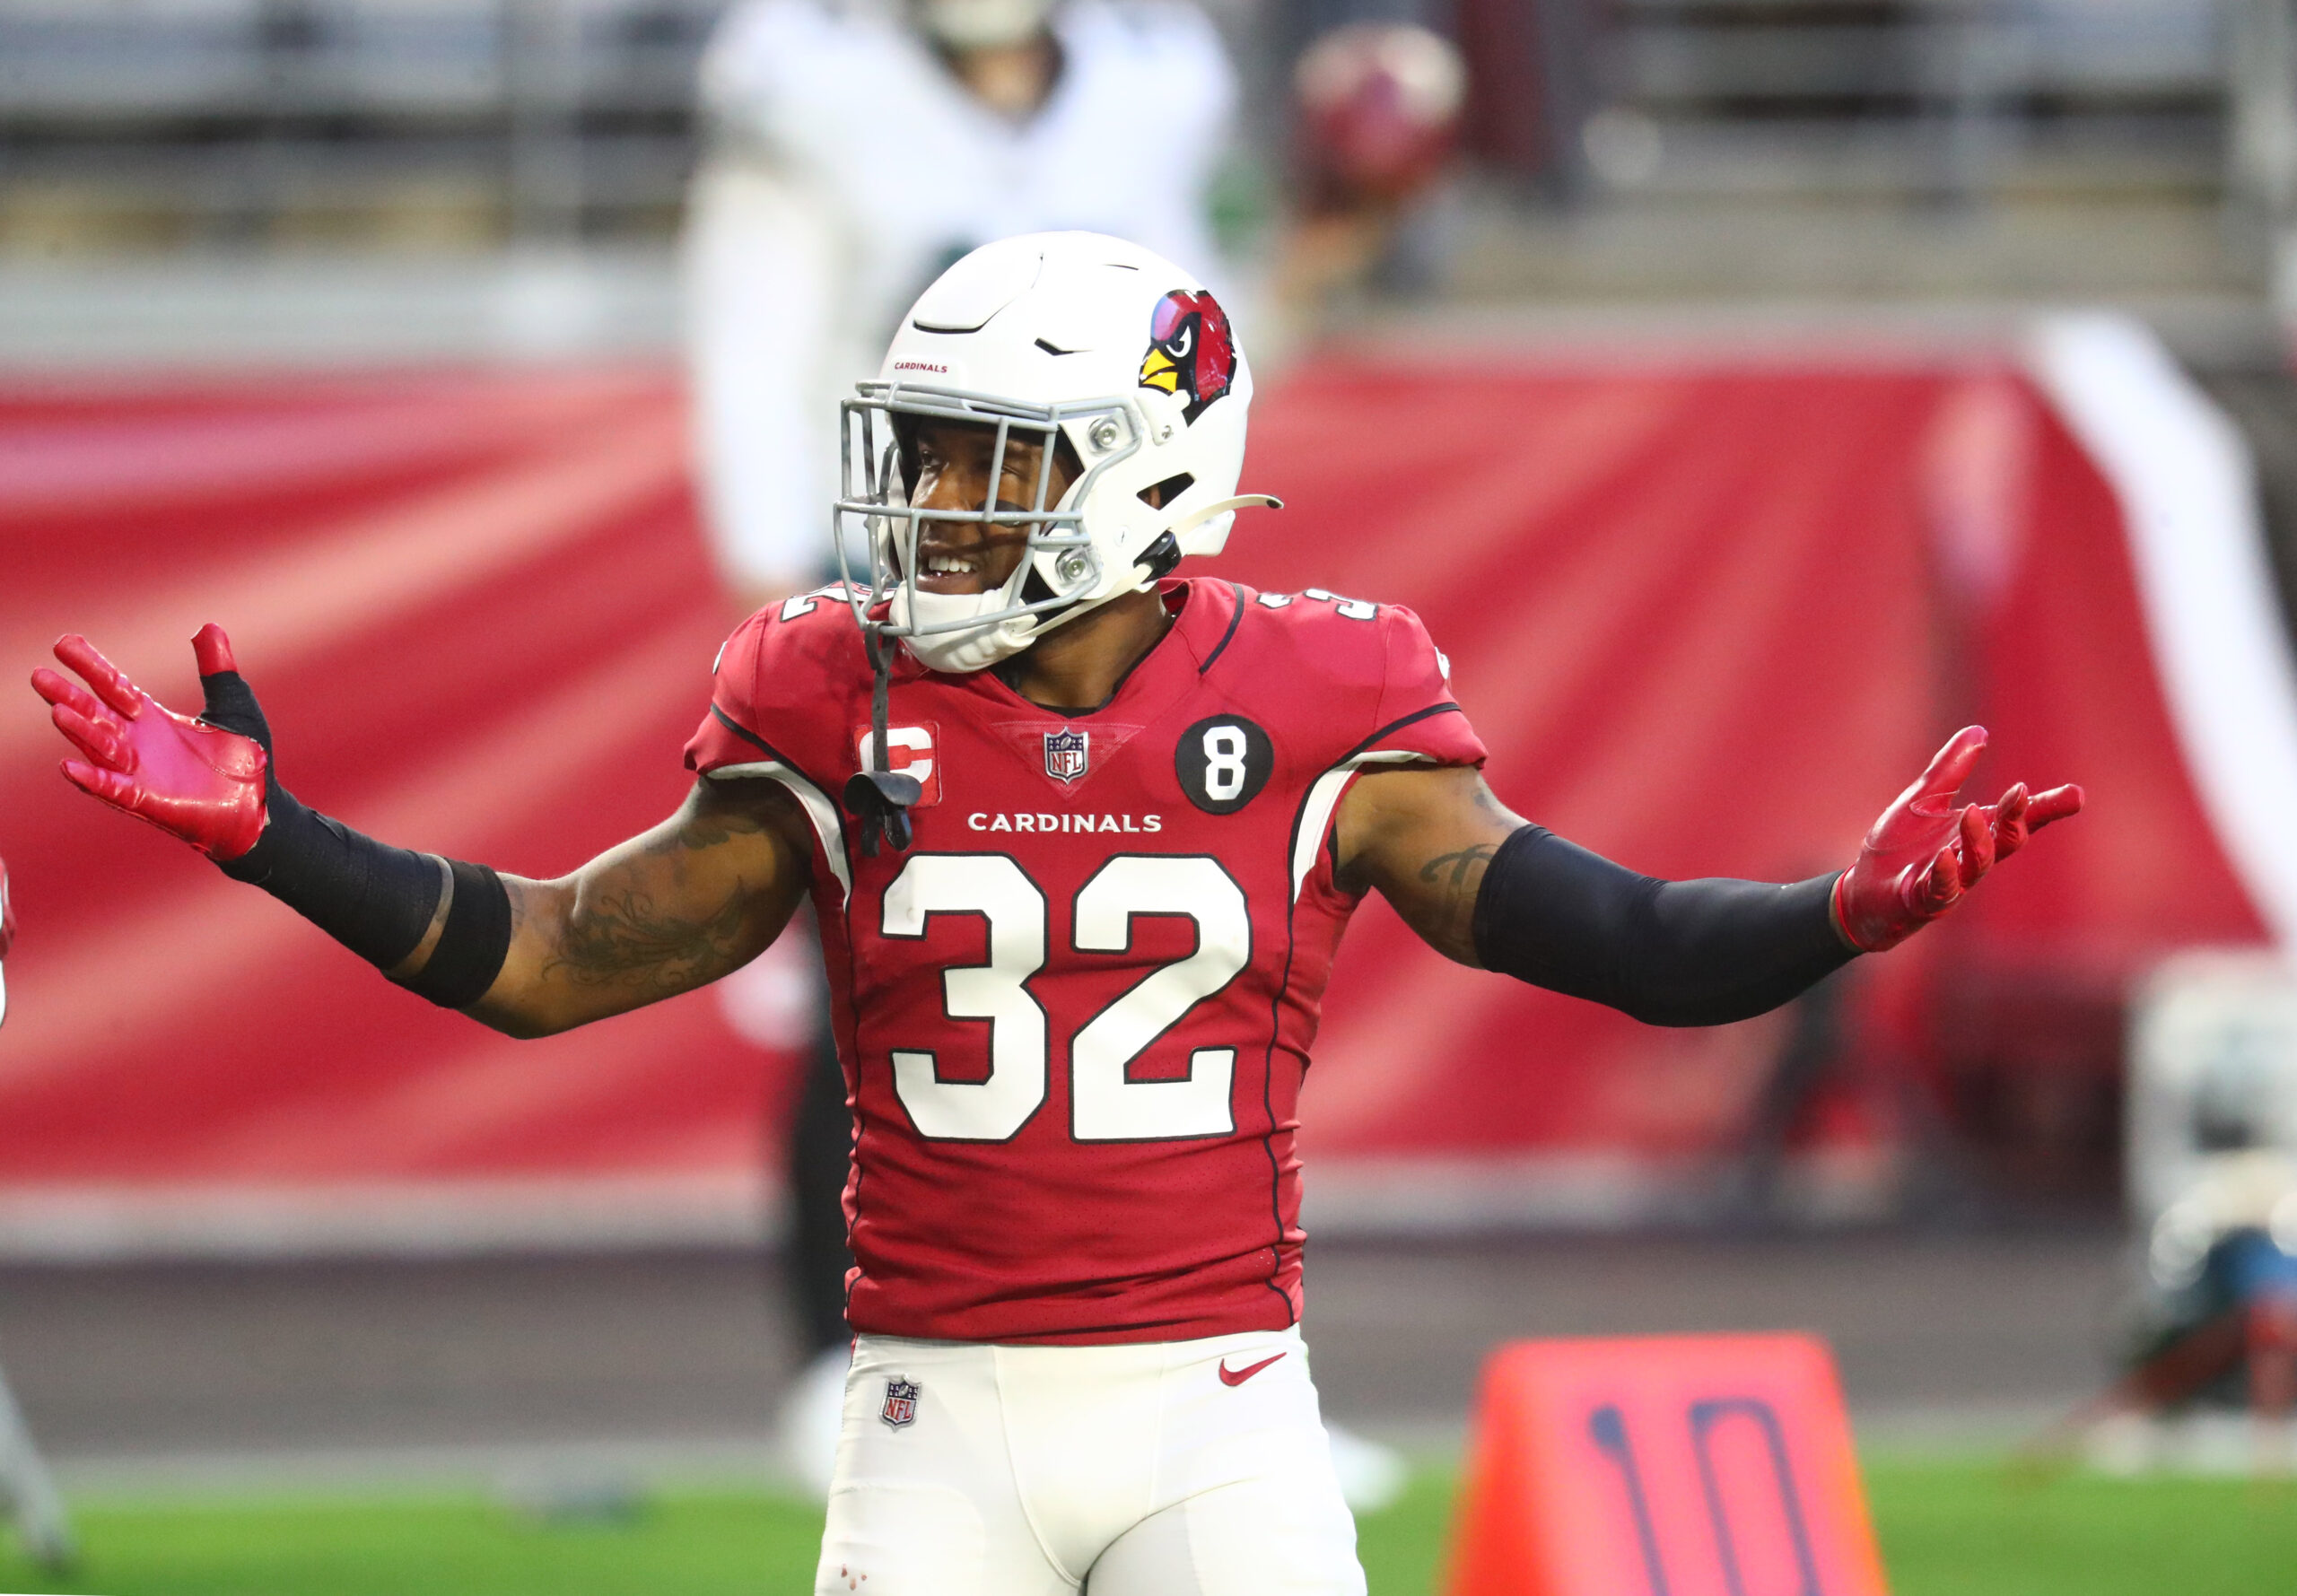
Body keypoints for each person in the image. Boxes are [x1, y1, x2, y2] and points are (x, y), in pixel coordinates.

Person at [33, 231, 2080, 1595]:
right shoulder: (828, 688)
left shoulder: (1326, 691)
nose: (929, 508)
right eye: (925, 460)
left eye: (989, 466)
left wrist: (1830, 910)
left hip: (1222, 1421)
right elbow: (555, 957)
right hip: (928, 1418)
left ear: (1143, 474)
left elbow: (1611, 936)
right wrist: (279, 833)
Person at [680, 0, 1267, 1494]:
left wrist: (1332, 231)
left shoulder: (1152, 79)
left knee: (1171, 973)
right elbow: (753, 347)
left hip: (1117, 604)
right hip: (911, 596)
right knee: (886, 978)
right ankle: (845, 1369)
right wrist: (792, 611)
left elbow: (1206, 354)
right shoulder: (803, 81)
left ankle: (1208, 1367)